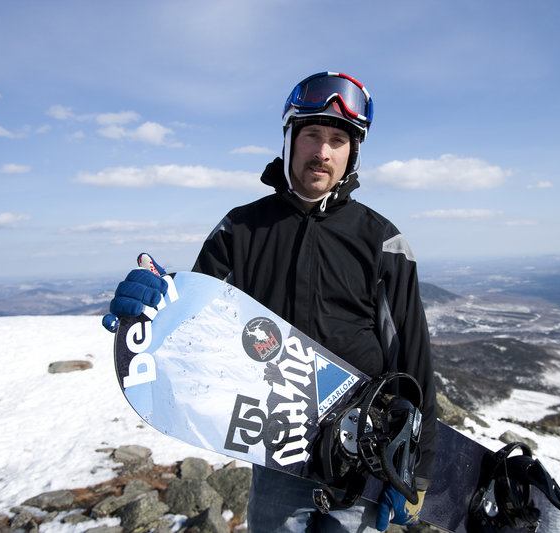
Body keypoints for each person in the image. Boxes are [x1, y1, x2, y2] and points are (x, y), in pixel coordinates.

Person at [107, 72, 438, 532]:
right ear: (290, 140)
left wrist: (417, 469)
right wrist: (149, 304)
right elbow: (194, 320)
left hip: (365, 457)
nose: (323, 151)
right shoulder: (240, 231)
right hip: (276, 453)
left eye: (338, 140)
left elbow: (413, 359)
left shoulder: (381, 240)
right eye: (312, 135)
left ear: (352, 153)